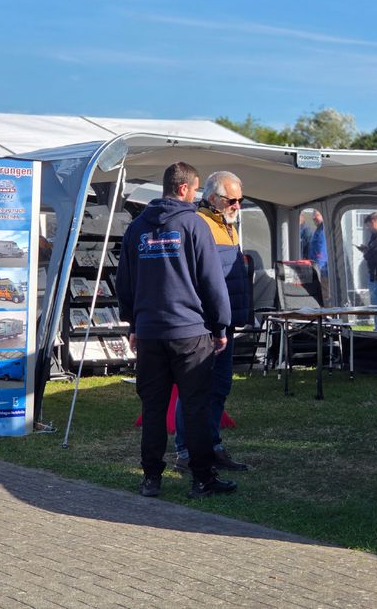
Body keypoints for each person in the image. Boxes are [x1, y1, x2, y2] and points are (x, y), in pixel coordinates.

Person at [116, 162, 237, 499]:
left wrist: (133, 323)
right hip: (190, 333)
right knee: (195, 407)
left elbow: (124, 281)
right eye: (195, 190)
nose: (196, 196)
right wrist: (221, 325)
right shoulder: (194, 224)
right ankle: (202, 479)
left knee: (153, 408)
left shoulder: (136, 228)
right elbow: (211, 280)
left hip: (150, 333)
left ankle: (151, 478)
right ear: (183, 188)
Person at [175, 171, 249, 473]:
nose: (237, 205)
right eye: (232, 200)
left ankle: (212, 445)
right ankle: (185, 451)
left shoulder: (228, 224)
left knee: (219, 386)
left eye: (240, 200)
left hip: (224, 321)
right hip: (205, 323)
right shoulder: (199, 223)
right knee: (196, 388)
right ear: (213, 198)